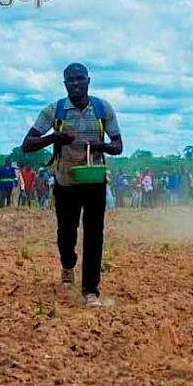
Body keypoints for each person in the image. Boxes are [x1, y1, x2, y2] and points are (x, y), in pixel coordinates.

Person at [21, 62, 123, 308]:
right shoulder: (54, 111)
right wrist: (54, 138)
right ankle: (68, 265)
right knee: (66, 233)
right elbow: (28, 144)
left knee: (94, 233)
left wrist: (101, 146)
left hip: (94, 180)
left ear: (89, 80)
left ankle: (90, 289)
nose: (76, 84)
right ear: (64, 83)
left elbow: (118, 146)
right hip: (65, 181)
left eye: (80, 79)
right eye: (70, 80)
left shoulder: (102, 109)